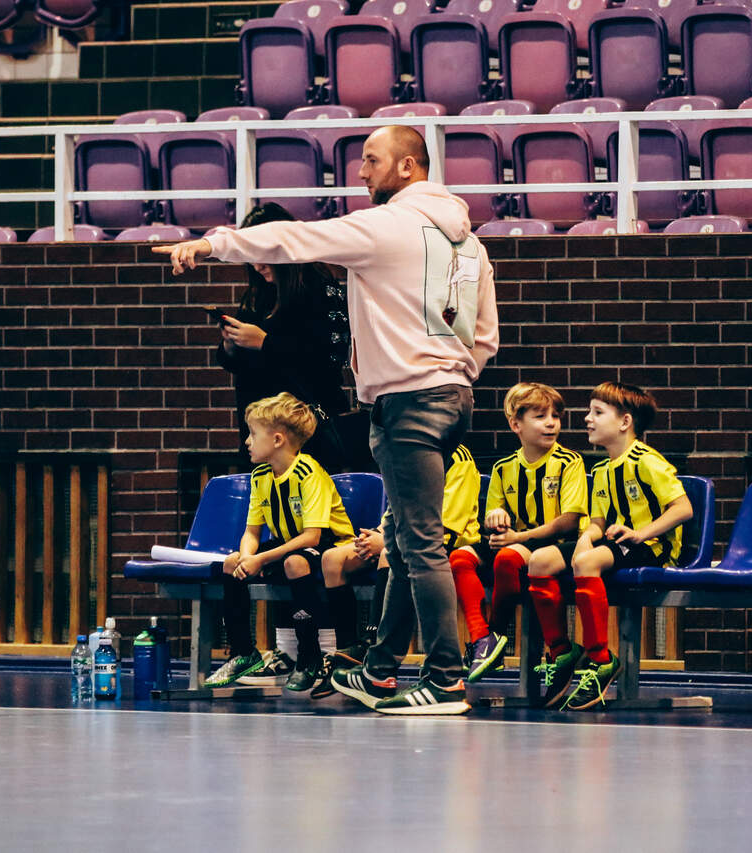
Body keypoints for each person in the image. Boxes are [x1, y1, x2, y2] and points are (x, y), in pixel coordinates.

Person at [156, 125, 499, 715]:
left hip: (409, 401)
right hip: (452, 396)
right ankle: (381, 670)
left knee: (420, 546)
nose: (361, 172)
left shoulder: (388, 224)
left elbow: (296, 237)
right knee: (400, 541)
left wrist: (214, 245)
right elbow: (485, 336)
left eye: (372, 160)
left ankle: (446, 679)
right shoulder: (470, 245)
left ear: (409, 166)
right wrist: (454, 373)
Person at [526, 381, 693, 710]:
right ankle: (562, 652)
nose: (587, 419)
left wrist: (640, 533)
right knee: (540, 561)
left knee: (586, 563)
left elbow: (683, 508)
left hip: (652, 546)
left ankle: (601, 660)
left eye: (597, 412)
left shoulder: (647, 461)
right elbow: (598, 523)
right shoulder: (602, 470)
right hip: (617, 544)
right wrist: (585, 537)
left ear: (625, 422)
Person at [205, 393, 356, 693]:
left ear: (277, 440)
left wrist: (261, 559)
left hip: (329, 545)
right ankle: (243, 652)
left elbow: (312, 537)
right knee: (231, 562)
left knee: (295, 563)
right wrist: (247, 557)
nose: (247, 441)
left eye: (253, 434)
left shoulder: (309, 473)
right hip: (287, 543)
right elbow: (251, 532)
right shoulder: (260, 476)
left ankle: (309, 657)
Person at [309, 443, 482, 699]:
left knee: (389, 556)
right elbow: (396, 510)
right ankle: (350, 652)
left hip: (445, 543)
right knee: (333, 559)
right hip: (402, 536)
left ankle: (375, 651)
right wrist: (376, 535)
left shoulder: (457, 457)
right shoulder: (407, 451)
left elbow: (445, 524)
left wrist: (386, 542)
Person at [449, 382, 587, 682]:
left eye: (555, 416)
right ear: (516, 425)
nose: (551, 423)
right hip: (517, 541)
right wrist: (495, 518)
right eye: (540, 416)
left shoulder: (569, 462)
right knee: (459, 557)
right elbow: (493, 515)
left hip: (556, 544)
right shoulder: (503, 467)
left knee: (507, 558)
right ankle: (482, 638)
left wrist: (517, 538)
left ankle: (497, 636)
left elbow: (568, 522)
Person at [214, 203, 351, 472]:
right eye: (250, 255)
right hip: (261, 429)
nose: (256, 265)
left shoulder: (320, 287)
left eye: (262, 254)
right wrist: (231, 345)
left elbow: (327, 359)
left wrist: (264, 343)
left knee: (311, 493)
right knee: (264, 495)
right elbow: (243, 363)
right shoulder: (260, 292)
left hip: (305, 429)